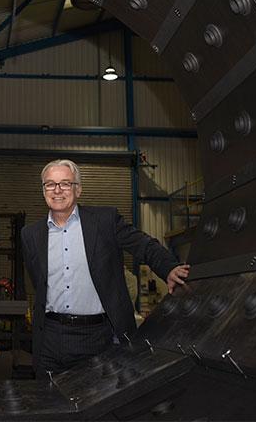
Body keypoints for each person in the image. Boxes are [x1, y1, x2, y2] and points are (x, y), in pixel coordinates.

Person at [20, 159, 189, 378]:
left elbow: (142, 245)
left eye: (65, 183)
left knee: (100, 406)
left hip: (98, 337)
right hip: (51, 338)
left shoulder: (104, 221)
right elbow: (38, 281)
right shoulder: (30, 235)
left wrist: (169, 268)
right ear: (43, 191)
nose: (57, 190)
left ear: (78, 189)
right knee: (51, 405)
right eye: (50, 184)